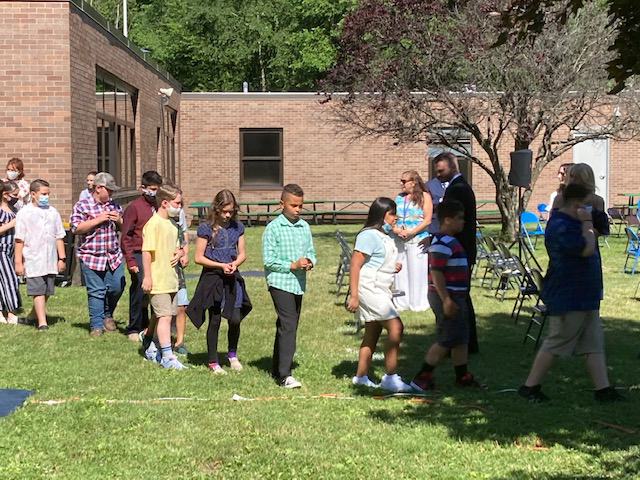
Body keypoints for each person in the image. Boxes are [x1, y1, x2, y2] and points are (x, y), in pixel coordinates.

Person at [518, 184, 624, 403]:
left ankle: (603, 390)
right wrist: (586, 222)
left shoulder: (574, 221)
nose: (589, 209)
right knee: (557, 340)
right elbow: (586, 249)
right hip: (569, 293)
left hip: (587, 293)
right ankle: (529, 386)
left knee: (593, 343)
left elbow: (602, 227)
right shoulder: (560, 226)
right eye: (586, 204)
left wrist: (590, 220)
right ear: (577, 205)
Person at [410, 200, 485, 391]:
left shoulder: (446, 240)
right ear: (447, 220)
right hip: (447, 297)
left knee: (461, 338)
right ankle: (422, 378)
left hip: (456, 296)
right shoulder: (443, 243)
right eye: (460, 218)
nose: (463, 222)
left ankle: (463, 377)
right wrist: (446, 300)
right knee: (447, 339)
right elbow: (436, 272)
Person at [347, 197, 413, 392]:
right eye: (392, 214)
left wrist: (392, 267)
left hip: (381, 287)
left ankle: (361, 376)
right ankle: (390, 377)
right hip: (370, 287)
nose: (395, 218)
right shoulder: (367, 235)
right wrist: (354, 295)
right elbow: (355, 264)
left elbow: (375, 260)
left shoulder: (383, 235)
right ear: (382, 214)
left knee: (372, 332)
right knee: (396, 327)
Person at [187, 190, 252, 375]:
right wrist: (220, 265)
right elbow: (198, 257)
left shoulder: (237, 227)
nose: (227, 215)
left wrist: (234, 264)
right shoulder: (206, 228)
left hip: (232, 277)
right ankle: (213, 360)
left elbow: (242, 253)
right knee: (214, 319)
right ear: (216, 209)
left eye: (231, 211)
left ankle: (232, 354)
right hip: (213, 278)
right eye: (224, 211)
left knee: (235, 318)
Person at [262, 184, 316, 388]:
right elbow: (269, 260)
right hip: (279, 281)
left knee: (287, 325)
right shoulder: (273, 228)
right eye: (293, 205)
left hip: (298, 283)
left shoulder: (304, 227)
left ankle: (277, 366)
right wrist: (291, 265)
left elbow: (310, 251)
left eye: (300, 205)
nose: (298, 209)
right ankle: (285, 375)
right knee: (289, 324)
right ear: (281, 204)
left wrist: (309, 261)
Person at [433, 152, 479, 354]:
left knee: (459, 297)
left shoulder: (458, 188)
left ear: (453, 166)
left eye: (441, 171)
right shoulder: (458, 186)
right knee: (462, 297)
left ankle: (462, 342)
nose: (438, 176)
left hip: (459, 250)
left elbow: (452, 219)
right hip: (460, 249)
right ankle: (464, 342)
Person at [69, 172, 125, 337]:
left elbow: (123, 228)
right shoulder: (82, 205)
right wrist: (98, 219)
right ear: (99, 188)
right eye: (110, 190)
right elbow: (76, 228)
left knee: (117, 286)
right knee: (96, 291)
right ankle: (96, 325)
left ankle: (107, 314)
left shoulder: (114, 206)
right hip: (91, 256)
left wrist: (119, 221)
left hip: (113, 256)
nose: (112, 193)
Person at [140, 184, 186, 369]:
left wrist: (179, 252)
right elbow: (146, 252)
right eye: (177, 203)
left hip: (172, 279)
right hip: (158, 280)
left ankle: (151, 346)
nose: (180, 207)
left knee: (162, 316)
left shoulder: (173, 224)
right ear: (165, 203)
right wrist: (148, 277)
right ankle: (167, 356)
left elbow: (177, 247)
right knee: (165, 316)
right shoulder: (153, 224)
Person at [14, 179, 66, 331]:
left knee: (47, 291)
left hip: (50, 259)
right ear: (33, 194)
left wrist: (61, 258)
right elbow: (19, 239)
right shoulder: (24, 213)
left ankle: (32, 316)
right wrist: (18, 262)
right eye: (43, 194)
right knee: (38, 290)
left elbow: (59, 236)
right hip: (33, 258)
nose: (46, 197)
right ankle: (42, 323)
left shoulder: (52, 212)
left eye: (48, 194)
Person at [121, 171, 163, 341]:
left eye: (157, 189)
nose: (154, 192)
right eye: (152, 189)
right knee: (139, 288)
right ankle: (134, 327)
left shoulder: (161, 205)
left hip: (158, 253)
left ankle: (155, 325)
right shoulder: (134, 208)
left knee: (158, 289)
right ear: (143, 188)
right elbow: (126, 236)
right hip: (139, 253)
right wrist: (130, 260)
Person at [393, 170, 433, 312]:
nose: (401, 184)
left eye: (404, 181)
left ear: (413, 182)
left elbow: (427, 219)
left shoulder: (425, 197)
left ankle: (418, 302)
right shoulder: (399, 197)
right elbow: (394, 217)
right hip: (400, 239)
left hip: (417, 239)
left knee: (417, 271)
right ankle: (401, 302)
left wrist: (412, 232)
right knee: (400, 270)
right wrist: (397, 230)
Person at [0, 180, 21, 324]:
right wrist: (11, 224)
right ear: (5, 194)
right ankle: (11, 312)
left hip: (12, 248)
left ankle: (4, 311)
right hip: (1, 248)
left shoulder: (14, 209)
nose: (16, 197)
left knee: (5, 281)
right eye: (14, 195)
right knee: (9, 279)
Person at [170, 205, 190, 355]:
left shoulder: (177, 227)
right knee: (163, 311)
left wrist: (182, 253)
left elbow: (183, 242)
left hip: (178, 273)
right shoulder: (157, 224)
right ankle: (150, 335)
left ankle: (179, 342)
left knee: (181, 306)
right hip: (164, 272)